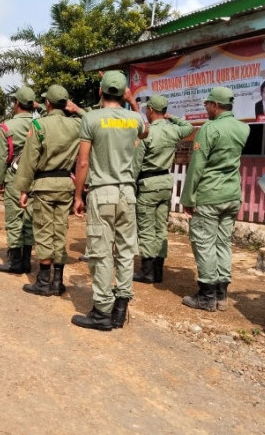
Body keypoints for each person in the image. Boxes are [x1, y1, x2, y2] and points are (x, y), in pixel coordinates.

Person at [71, 71, 149, 331]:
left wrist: (78, 196)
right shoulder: (134, 119)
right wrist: (133, 102)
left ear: (100, 92)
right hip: (127, 193)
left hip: (102, 191)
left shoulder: (91, 119)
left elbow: (83, 162)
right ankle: (121, 307)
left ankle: (102, 312)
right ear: (123, 93)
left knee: (101, 252)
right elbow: (146, 131)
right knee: (126, 251)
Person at [180, 86, 249, 312]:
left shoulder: (209, 129)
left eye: (207, 104)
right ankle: (221, 295)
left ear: (216, 105)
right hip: (231, 195)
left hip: (209, 195)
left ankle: (207, 296)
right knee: (222, 243)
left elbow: (197, 167)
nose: (205, 107)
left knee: (204, 243)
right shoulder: (243, 128)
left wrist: (188, 198)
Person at [13, 85, 83, 296]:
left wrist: (24, 189)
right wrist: (77, 109)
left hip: (44, 185)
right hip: (65, 185)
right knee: (60, 231)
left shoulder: (39, 125)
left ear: (48, 104)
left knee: (44, 231)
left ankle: (43, 282)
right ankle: (57, 282)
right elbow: (91, 120)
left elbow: (29, 160)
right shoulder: (77, 125)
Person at [132, 95, 194, 283]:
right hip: (166, 182)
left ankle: (147, 271)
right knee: (161, 228)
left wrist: (131, 187)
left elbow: (136, 165)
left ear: (151, 110)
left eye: (146, 109)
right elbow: (189, 127)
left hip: (148, 184)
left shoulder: (146, 132)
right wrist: (171, 117)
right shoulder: (173, 130)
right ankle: (158, 271)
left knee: (147, 228)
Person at [0, 87, 36, 274]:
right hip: (35, 179)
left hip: (14, 178)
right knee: (29, 219)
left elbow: (1, 158)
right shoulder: (40, 124)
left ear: (17, 104)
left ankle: (15, 262)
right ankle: (27, 261)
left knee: (14, 219)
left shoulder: (6, 127)